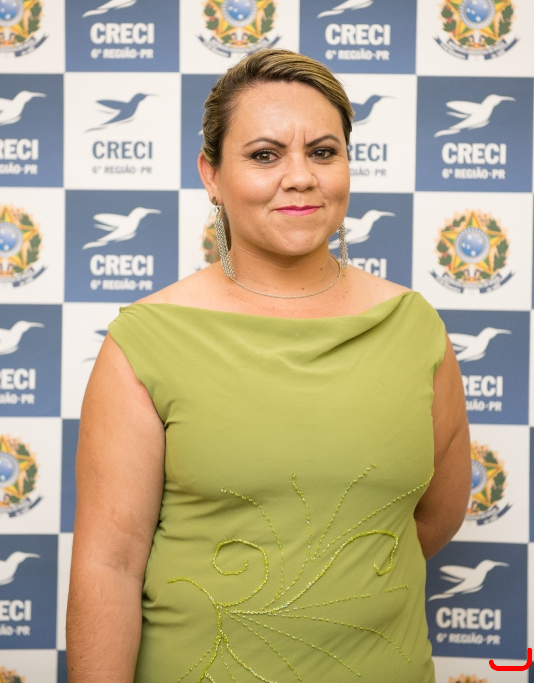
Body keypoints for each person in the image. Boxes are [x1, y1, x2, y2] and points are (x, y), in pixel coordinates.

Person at [66, 48, 470, 683]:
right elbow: (108, 566)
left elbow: (430, 519)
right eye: (264, 155)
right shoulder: (146, 341)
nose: (300, 177)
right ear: (211, 175)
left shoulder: (414, 327)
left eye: (323, 152)